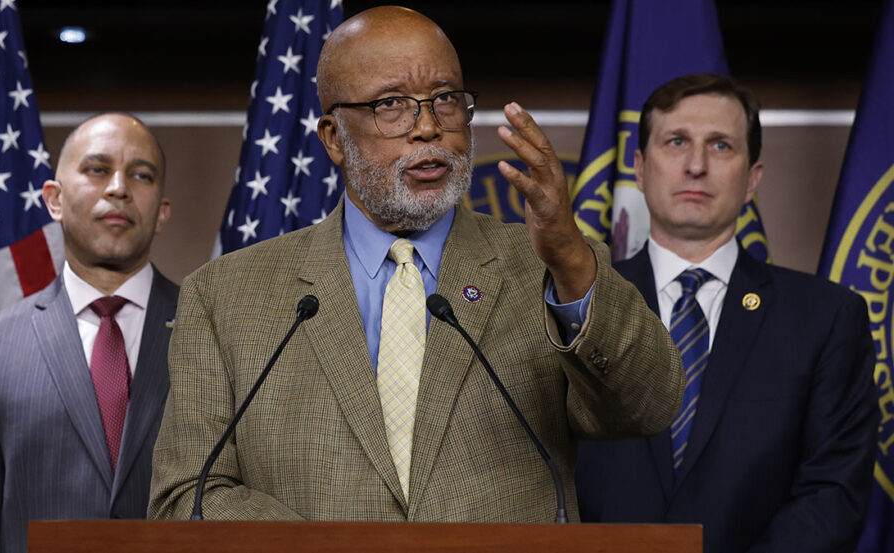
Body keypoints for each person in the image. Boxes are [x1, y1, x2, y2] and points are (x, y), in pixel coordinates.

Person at [148, 6, 684, 523]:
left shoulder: (545, 268)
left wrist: (568, 257)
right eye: (392, 105)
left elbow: (650, 406)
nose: (428, 127)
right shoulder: (225, 295)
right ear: (333, 138)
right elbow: (187, 497)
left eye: (445, 99)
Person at [576, 74, 878, 553]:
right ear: (640, 168)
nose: (696, 166)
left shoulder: (826, 318)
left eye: (720, 145)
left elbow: (833, 495)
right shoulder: (579, 304)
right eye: (676, 142)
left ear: (752, 178)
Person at [0, 112, 179, 552]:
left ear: (161, 212)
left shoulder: (215, 333)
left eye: (141, 175)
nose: (119, 188)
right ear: (54, 200)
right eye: (97, 169)